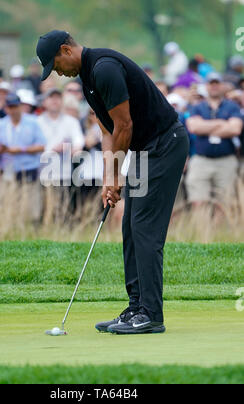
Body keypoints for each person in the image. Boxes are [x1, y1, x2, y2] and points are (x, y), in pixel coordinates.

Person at [36, 30, 189, 335]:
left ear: (66, 50)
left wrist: (117, 174)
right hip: (147, 150)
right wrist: (110, 179)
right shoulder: (89, 77)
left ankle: (151, 314)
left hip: (165, 145)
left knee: (145, 228)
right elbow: (107, 131)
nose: (57, 73)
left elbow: (124, 125)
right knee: (131, 226)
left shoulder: (104, 68)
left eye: (55, 65)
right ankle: (136, 308)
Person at [186, 73, 243, 206]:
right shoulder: (197, 107)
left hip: (226, 160)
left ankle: (219, 227)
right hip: (201, 160)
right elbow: (194, 127)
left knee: (224, 203)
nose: (214, 86)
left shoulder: (232, 106)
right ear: (206, 86)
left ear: (222, 86)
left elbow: (235, 129)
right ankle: (201, 227)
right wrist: (222, 123)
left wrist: (205, 126)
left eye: (217, 83)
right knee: (198, 201)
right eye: (211, 83)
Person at [0, 94, 46, 183]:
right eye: (10, 107)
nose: (13, 110)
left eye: (15, 107)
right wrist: (2, 150)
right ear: (6, 109)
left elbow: (42, 146)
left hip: (29, 168)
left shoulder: (33, 122)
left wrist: (21, 149)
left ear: (20, 107)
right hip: (7, 169)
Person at [38, 88, 85, 186]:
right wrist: (52, 149)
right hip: (42, 174)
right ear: (44, 102)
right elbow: (33, 145)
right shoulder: (37, 122)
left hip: (65, 175)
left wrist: (75, 148)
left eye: (58, 98)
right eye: (51, 97)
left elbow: (79, 140)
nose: (55, 100)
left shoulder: (71, 121)